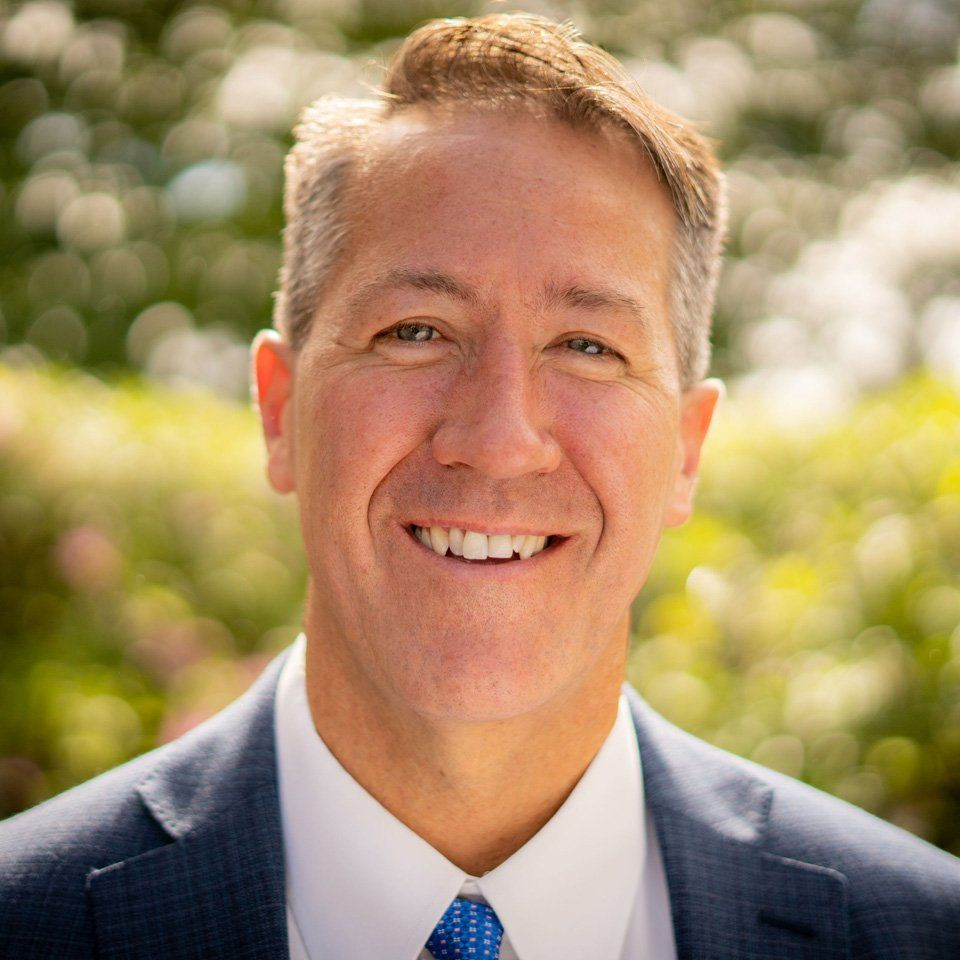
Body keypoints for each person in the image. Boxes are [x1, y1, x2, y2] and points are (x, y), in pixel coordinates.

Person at [2, 12, 958, 959]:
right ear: (281, 409)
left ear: (684, 450)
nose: (499, 440)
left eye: (588, 347)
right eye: (415, 330)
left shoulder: (916, 932)